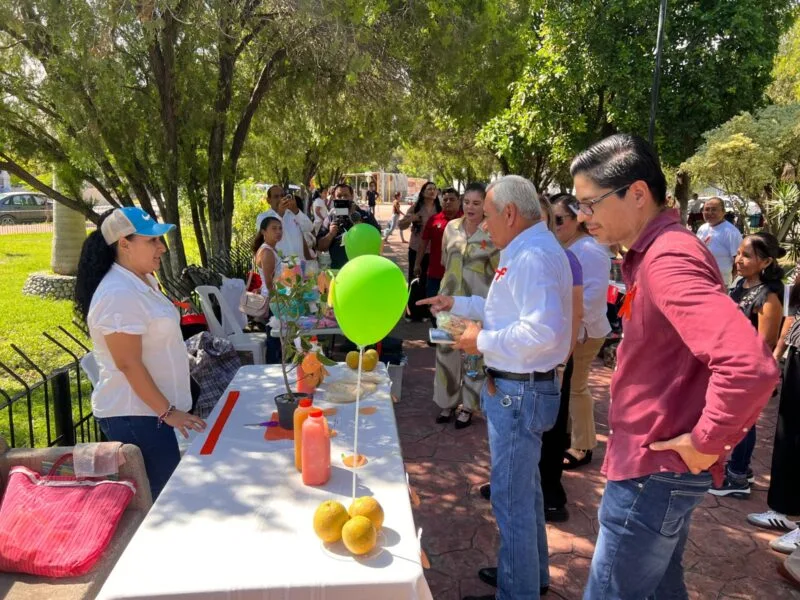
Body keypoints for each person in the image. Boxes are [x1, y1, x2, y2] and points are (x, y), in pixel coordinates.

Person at [571, 134, 779, 600]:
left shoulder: (667, 259)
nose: (584, 217)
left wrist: (707, 441)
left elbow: (750, 366)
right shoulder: (662, 251)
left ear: (638, 193)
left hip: (652, 470)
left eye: (590, 204)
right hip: (658, 467)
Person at [421, 175, 572, 600]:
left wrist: (479, 341)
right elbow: (502, 310)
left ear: (509, 213)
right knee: (524, 492)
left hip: (519, 391)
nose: (484, 226)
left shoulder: (532, 256)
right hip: (522, 389)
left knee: (511, 500)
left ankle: (517, 590)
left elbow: (539, 330)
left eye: (487, 216)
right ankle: (529, 575)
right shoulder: (527, 248)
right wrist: (458, 305)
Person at [74, 207, 207, 500]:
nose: (162, 247)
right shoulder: (117, 293)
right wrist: (168, 412)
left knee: (171, 495)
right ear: (124, 244)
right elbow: (128, 363)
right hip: (136, 415)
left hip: (152, 412)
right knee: (163, 501)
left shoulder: (141, 279)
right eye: (152, 241)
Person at [708, 232, 785, 498]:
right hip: (729, 364)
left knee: (744, 424)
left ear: (765, 262)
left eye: (746, 255)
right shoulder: (741, 284)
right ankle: (738, 469)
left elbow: (764, 341)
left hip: (748, 370)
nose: (738, 259)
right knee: (735, 422)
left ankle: (738, 477)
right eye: (738, 253)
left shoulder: (768, 296)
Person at [550, 193, 611, 470]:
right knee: (568, 386)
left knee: (577, 387)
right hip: (567, 329)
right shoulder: (564, 245)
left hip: (584, 331)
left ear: (577, 219)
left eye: (559, 218)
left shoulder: (590, 250)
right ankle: (571, 435)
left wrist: (576, 326)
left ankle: (583, 445)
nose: (554, 224)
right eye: (551, 219)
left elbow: (594, 298)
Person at [431, 183, 498, 429]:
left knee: (473, 357)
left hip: (478, 304)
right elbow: (443, 260)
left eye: (477, 203)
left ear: (485, 206)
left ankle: (468, 406)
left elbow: (498, 272)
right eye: (467, 202)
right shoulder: (451, 228)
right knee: (445, 353)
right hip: (447, 301)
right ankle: (446, 402)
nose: (470, 207)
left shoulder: (492, 233)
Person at [746, 271, 800, 554]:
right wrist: (776, 356)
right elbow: (794, 309)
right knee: (787, 432)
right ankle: (782, 509)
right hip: (797, 347)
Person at [399, 181, 440, 321]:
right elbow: (401, 225)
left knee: (427, 281)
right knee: (414, 280)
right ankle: (411, 312)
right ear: (423, 192)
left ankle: (424, 312)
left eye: (434, 189)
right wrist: (411, 219)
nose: (432, 191)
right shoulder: (416, 208)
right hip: (416, 249)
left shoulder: (439, 209)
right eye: (429, 189)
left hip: (433, 251)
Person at [414, 188, 462, 304]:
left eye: (452, 199)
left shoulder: (466, 220)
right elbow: (423, 243)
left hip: (459, 274)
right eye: (445, 200)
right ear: (441, 202)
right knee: (434, 306)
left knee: (456, 309)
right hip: (435, 273)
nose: (448, 202)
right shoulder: (434, 220)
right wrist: (417, 263)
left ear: (459, 201)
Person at [316, 183, 380, 269]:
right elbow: (320, 247)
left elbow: (377, 238)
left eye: (346, 195)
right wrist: (330, 234)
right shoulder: (331, 218)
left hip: (363, 269)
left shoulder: (366, 215)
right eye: (339, 196)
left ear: (352, 196)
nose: (343, 198)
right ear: (334, 198)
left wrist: (356, 219)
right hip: (339, 271)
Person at [254, 185, 314, 262]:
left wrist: (296, 211)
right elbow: (267, 237)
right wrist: (280, 214)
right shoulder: (262, 217)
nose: (280, 199)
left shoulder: (292, 213)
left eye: (282, 195)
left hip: (300, 265)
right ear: (268, 200)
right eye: (276, 196)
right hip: (281, 267)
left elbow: (309, 227)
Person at [696, 196, 742, 287]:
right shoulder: (702, 228)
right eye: (706, 209)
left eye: (714, 209)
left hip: (720, 283)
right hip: (701, 279)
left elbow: (738, 259)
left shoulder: (731, 232)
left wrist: (732, 283)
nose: (709, 213)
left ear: (723, 212)